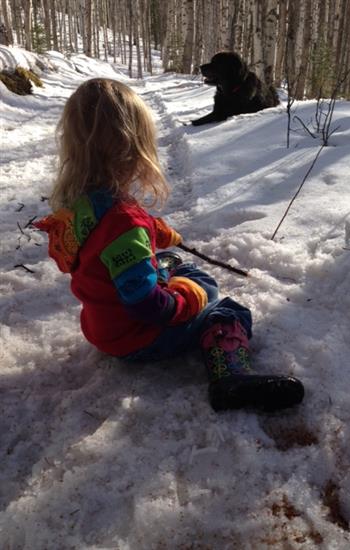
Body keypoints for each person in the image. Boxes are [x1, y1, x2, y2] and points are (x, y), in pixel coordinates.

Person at [35, 78, 304, 413]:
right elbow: (147, 306)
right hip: (135, 336)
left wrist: (152, 231)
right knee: (226, 309)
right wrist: (188, 300)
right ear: (133, 150)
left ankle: (175, 283)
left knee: (170, 260)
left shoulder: (80, 205)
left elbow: (104, 245)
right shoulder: (124, 222)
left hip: (101, 324)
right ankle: (230, 377)